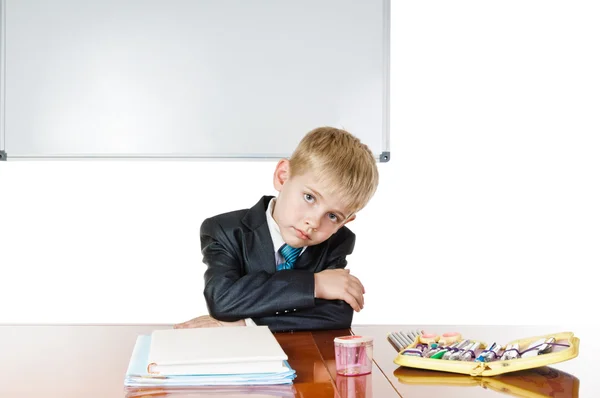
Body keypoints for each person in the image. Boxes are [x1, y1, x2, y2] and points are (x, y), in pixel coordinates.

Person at [175, 127, 379, 332]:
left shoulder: (337, 242)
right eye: (309, 197)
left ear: (344, 222)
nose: (314, 222)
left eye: (333, 216)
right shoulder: (225, 231)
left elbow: (336, 315)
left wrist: (246, 323)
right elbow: (223, 299)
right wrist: (314, 284)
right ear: (282, 177)